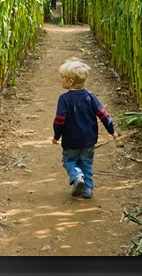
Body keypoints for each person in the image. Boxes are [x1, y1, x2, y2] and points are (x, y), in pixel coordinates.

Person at [52, 58, 118, 198]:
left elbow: (59, 120)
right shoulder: (90, 96)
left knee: (69, 161)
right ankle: (88, 190)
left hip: (71, 141)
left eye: (62, 77)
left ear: (71, 81)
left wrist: (56, 136)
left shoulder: (64, 99)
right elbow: (103, 114)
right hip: (89, 140)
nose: (61, 80)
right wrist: (112, 130)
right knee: (87, 164)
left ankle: (77, 177)